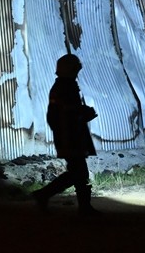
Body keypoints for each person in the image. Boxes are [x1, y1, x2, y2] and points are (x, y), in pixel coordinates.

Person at [33, 53, 99, 215]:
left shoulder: (65, 86)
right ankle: (45, 195)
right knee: (79, 172)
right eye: (76, 68)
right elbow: (64, 113)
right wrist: (83, 113)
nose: (78, 71)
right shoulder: (65, 87)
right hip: (70, 136)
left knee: (78, 172)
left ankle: (81, 207)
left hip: (71, 135)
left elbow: (64, 113)